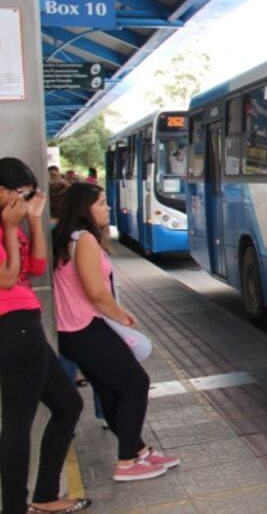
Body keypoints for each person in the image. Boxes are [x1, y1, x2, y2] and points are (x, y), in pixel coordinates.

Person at [52, 183, 179, 482]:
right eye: (101, 203)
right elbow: (95, 292)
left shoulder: (66, 238)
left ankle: (139, 451)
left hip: (71, 331)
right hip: (85, 327)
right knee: (136, 383)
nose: (107, 208)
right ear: (85, 208)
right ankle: (126, 462)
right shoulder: (84, 240)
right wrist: (122, 316)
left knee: (110, 389)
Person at [0, 158, 89, 514]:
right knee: (18, 423)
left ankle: (45, 496)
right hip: (11, 326)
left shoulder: (14, 222)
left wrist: (32, 220)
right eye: (21, 194)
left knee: (68, 405)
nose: (24, 201)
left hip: (24, 324)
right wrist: (9, 228)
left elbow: (36, 267)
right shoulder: (4, 225)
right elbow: (6, 280)